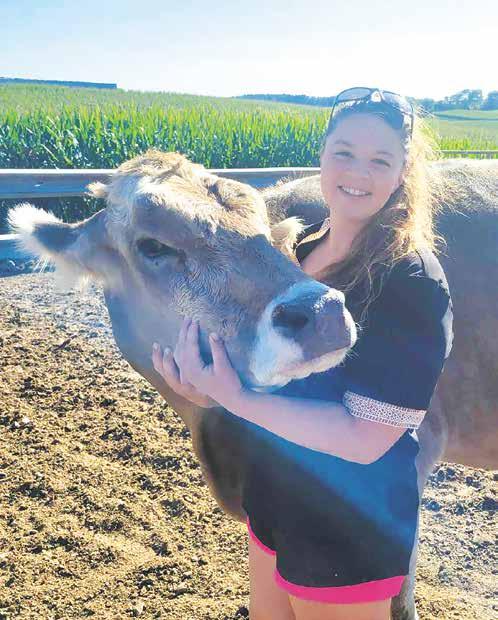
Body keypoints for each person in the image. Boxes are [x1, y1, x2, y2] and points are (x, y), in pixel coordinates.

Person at [151, 87, 454, 620]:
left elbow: (364, 440)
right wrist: (206, 388)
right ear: (322, 155)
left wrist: (236, 400)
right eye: (344, 153)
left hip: (347, 525)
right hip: (274, 496)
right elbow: (271, 375)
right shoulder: (297, 250)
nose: (357, 173)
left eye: (379, 160)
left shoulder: (411, 281)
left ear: (402, 172)